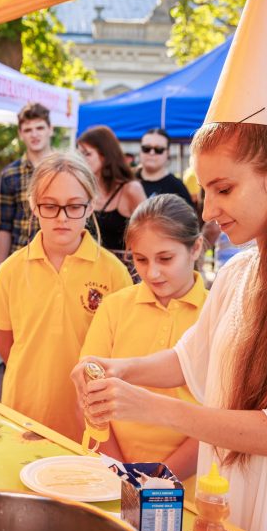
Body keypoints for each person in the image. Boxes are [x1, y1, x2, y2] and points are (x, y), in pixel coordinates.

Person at [72, 122, 267, 531]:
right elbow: (188, 359)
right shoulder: (238, 271)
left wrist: (145, 405)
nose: (209, 210)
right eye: (206, 192)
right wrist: (118, 369)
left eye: (224, 189)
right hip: (230, 499)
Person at [0, 152, 132, 442]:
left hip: (89, 427)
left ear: (91, 206)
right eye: (50, 206)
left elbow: (122, 353)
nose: (62, 218)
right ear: (33, 206)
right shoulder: (11, 270)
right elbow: (8, 346)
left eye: (74, 206)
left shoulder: (114, 273)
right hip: (22, 417)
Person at [80, 194, 203, 489]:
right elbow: (88, 394)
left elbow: (220, 417)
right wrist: (123, 472)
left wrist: (157, 480)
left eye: (166, 258)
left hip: (189, 483)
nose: (152, 272)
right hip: (112, 474)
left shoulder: (217, 314)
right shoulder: (115, 307)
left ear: (195, 248)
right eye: (141, 260)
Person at [0, 103, 54, 266]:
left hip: (59, 258)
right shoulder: (10, 174)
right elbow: (4, 225)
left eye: (40, 128)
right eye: (28, 130)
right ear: (20, 134)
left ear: (51, 129)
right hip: (21, 258)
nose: (34, 134)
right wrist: (1, 269)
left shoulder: (67, 169)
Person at [77, 125, 147, 261]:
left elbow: (150, 233)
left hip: (124, 272)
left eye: (87, 153)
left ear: (104, 156)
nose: (81, 159)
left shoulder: (130, 189)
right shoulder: (82, 188)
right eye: (80, 154)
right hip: (88, 269)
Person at [136, 128, 194, 209]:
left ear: (168, 152)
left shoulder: (176, 187)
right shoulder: (127, 180)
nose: (151, 153)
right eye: (146, 148)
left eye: (158, 149)